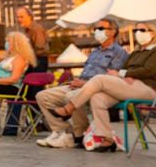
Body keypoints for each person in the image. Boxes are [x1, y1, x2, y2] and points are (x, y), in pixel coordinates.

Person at [47, 22, 156, 152]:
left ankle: (69, 108)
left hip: (148, 89)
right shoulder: (135, 53)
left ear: (152, 33)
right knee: (98, 97)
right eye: (135, 30)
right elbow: (125, 69)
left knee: (99, 78)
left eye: (142, 30)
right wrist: (125, 74)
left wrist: (124, 73)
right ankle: (107, 138)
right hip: (130, 86)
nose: (138, 33)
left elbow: (148, 70)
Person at [35, 18, 129, 149]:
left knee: (72, 96)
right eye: (95, 29)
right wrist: (76, 81)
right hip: (78, 84)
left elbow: (111, 78)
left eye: (101, 28)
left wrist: (84, 84)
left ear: (113, 32)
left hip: (96, 88)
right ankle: (64, 132)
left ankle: (79, 135)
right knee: (42, 96)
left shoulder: (119, 52)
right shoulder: (95, 51)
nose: (97, 31)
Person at [16, 7, 50, 73]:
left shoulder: (36, 29)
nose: (19, 19)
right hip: (33, 61)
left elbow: (40, 48)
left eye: (21, 17)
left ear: (30, 17)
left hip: (38, 62)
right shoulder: (27, 29)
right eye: (17, 17)